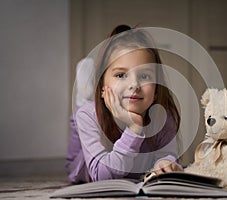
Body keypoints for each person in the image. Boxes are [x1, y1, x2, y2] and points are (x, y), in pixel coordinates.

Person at [66, 25, 182, 183]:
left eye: (144, 75)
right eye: (121, 75)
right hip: (83, 158)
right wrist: (134, 130)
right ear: (101, 87)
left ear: (156, 90)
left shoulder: (162, 116)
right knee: (81, 113)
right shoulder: (88, 116)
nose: (134, 84)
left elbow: (168, 156)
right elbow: (101, 177)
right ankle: (85, 93)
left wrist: (165, 164)